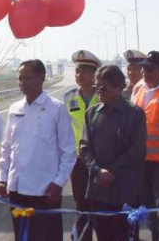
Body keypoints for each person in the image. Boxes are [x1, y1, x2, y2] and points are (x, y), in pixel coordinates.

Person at [0, 60, 76, 241]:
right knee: (22, 235)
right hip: (17, 188)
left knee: (46, 236)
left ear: (41, 78)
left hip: (45, 190)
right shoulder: (14, 108)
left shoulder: (56, 108)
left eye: (28, 78)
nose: (22, 82)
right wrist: (3, 178)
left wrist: (59, 183)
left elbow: (68, 151)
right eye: (20, 78)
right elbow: (7, 147)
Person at [80, 65, 146, 241]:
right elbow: (85, 147)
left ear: (118, 87)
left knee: (126, 236)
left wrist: (112, 171)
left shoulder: (135, 114)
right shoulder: (91, 113)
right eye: (96, 87)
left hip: (125, 192)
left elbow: (137, 151)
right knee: (103, 235)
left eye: (103, 87)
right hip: (98, 190)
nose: (98, 92)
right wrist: (97, 170)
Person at [131, 51, 159, 241]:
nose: (144, 72)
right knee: (146, 208)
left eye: (150, 68)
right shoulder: (138, 88)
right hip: (140, 161)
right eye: (143, 68)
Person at [65, 50, 100, 241]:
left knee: (101, 204)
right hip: (78, 160)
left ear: (95, 73)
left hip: (101, 159)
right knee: (81, 204)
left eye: (84, 71)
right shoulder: (68, 98)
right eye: (77, 71)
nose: (80, 75)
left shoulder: (104, 95)